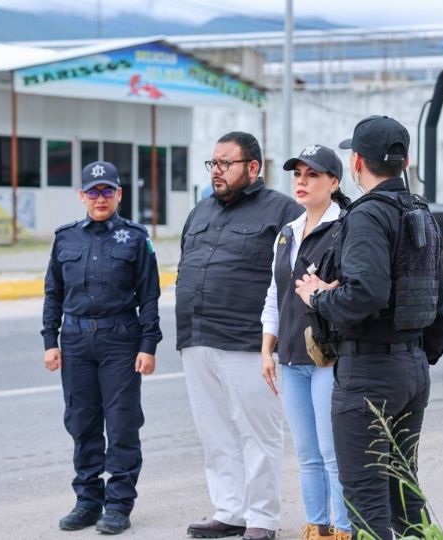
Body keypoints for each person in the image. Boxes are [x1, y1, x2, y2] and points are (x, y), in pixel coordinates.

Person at [294, 116, 443, 539]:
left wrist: (318, 297)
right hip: (412, 369)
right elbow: (438, 298)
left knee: (366, 504)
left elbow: (365, 295)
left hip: (369, 376)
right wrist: (416, 356)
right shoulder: (420, 212)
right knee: (404, 493)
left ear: (357, 160)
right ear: (405, 161)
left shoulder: (367, 216)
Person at [178, 131, 303, 540]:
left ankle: (262, 519)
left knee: (258, 431)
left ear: (253, 167)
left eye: (225, 164)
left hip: (250, 342)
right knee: (214, 430)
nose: (217, 172)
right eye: (212, 163)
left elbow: (291, 277)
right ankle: (229, 510)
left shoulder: (282, 211)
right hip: (198, 337)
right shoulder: (199, 212)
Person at [41, 161, 162, 535]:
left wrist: (148, 345)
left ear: (119, 195)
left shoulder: (135, 238)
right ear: (81, 196)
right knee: (82, 423)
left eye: (108, 191)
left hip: (120, 341)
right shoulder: (65, 239)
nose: (100, 198)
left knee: (123, 424)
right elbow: (53, 293)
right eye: (92, 192)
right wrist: (50, 341)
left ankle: (119, 505)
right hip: (75, 342)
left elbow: (150, 297)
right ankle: (88, 502)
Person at [260, 145, 351, 540]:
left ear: (333, 181)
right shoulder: (287, 233)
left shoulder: (346, 228)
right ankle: (318, 526)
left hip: (327, 359)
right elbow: (273, 295)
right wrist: (267, 348)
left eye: (312, 175)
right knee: (307, 454)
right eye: (297, 174)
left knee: (333, 454)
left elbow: (354, 291)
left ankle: (345, 529)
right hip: (291, 358)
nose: (302, 181)